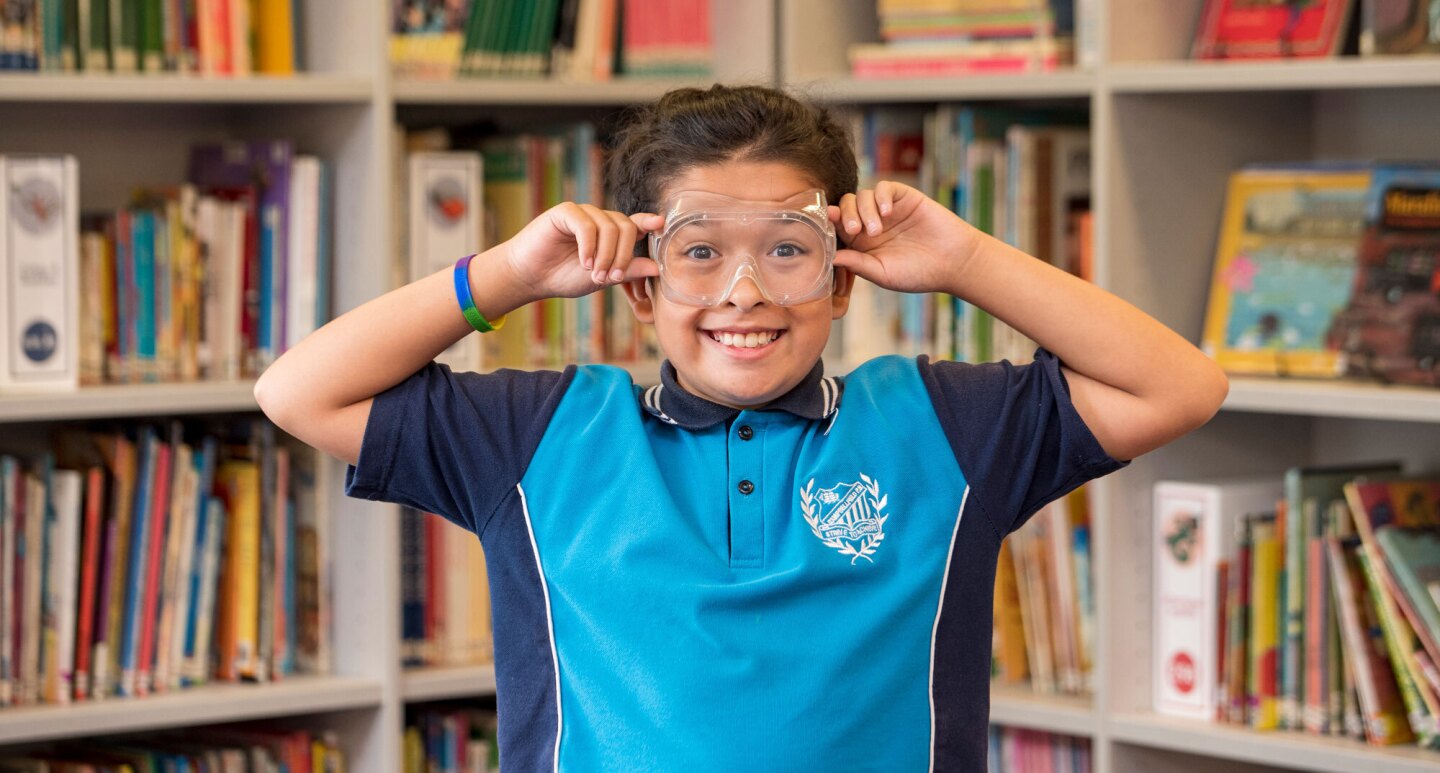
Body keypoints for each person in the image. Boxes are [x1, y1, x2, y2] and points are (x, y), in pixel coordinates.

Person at [255, 84, 1229, 771]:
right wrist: (507, 274)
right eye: (701, 251)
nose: (745, 290)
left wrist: (965, 257)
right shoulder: (539, 434)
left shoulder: (946, 426)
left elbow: (1178, 385)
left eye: (789, 249)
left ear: (845, 276)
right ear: (641, 287)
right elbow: (300, 393)